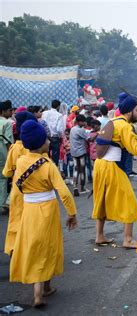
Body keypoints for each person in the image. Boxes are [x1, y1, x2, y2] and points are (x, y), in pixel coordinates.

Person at [9, 120, 77, 307]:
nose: (48, 141)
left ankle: (38, 291)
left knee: (33, 247)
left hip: (29, 210)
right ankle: (44, 289)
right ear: (41, 143)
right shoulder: (48, 165)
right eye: (46, 139)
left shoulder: (21, 162)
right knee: (48, 247)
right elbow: (63, 191)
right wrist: (72, 213)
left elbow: (16, 189)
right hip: (48, 210)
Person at [92, 94, 137, 249]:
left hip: (100, 165)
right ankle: (128, 239)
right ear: (129, 112)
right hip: (112, 166)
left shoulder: (114, 121)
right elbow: (134, 149)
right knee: (129, 202)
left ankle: (99, 236)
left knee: (101, 200)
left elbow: (135, 139)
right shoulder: (125, 126)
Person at [2, 111, 37, 256]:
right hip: (34, 191)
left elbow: (7, 173)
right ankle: (30, 249)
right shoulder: (36, 149)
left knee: (16, 219)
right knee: (31, 222)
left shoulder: (15, 148)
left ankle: (13, 249)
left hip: (17, 190)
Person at [70, 115, 95, 196]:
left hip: (73, 152)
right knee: (82, 170)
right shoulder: (81, 130)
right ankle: (82, 187)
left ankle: (74, 187)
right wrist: (97, 134)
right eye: (83, 121)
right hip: (81, 152)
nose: (84, 123)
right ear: (79, 122)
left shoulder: (72, 129)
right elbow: (90, 139)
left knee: (76, 169)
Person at [42, 100, 65, 166]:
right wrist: (61, 137)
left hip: (46, 137)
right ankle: (54, 171)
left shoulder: (44, 113)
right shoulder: (59, 115)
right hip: (55, 138)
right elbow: (59, 129)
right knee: (55, 156)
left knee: (46, 155)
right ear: (58, 106)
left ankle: (46, 171)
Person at [0, 100, 14, 210]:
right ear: (3, 111)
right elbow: (9, 143)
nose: (12, 112)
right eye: (10, 110)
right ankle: (3, 204)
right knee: (3, 180)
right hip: (3, 155)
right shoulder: (7, 123)